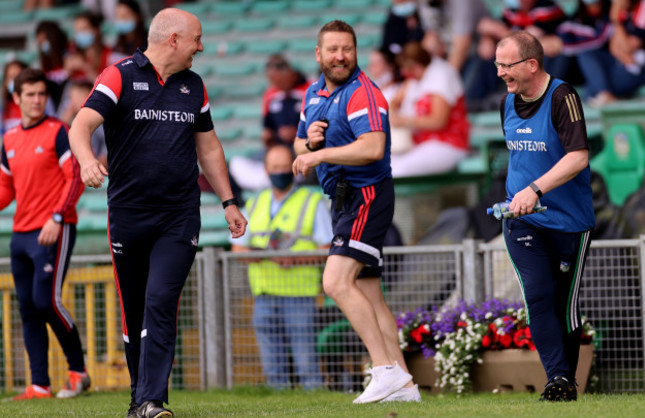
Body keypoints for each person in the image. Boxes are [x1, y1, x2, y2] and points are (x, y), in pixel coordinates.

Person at [68, 7, 247, 418]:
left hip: (179, 215)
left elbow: (209, 147)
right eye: (196, 40)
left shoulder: (194, 85)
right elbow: (81, 126)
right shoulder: (119, 75)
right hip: (129, 214)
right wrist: (85, 160)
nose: (200, 48)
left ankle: (152, 401)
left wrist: (229, 201)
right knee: (134, 313)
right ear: (173, 40)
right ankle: (139, 399)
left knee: (161, 300)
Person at [292, 20, 419, 404]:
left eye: (347, 48)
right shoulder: (313, 93)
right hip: (343, 200)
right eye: (332, 49)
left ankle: (383, 370)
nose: (340, 56)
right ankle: (406, 387)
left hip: (367, 195)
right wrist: (310, 144)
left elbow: (372, 147)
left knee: (335, 283)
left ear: (356, 51)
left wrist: (322, 153)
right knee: (369, 292)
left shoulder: (364, 92)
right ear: (318, 55)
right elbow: (300, 147)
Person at [495, 30, 595, 401]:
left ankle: (564, 381)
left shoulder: (562, 96)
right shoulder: (506, 102)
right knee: (537, 294)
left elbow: (578, 156)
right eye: (497, 64)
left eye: (507, 65)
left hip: (570, 222)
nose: (501, 72)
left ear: (531, 64)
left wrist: (535, 189)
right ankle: (557, 378)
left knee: (564, 307)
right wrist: (519, 198)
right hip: (522, 220)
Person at [0, 68, 90, 401]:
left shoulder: (59, 132)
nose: (38, 100)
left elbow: (76, 177)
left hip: (56, 228)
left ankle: (78, 372)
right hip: (20, 234)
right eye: (30, 95)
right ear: (16, 99)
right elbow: (5, 190)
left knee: (46, 301)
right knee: (27, 307)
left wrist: (57, 216)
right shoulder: (8, 139)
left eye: (42, 94)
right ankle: (39, 384)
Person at [231, 145, 331, 390]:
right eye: (275, 167)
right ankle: (279, 400)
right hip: (264, 293)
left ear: (295, 169)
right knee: (271, 363)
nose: (280, 171)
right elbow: (238, 248)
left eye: (285, 166)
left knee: (306, 360)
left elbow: (327, 247)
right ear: (266, 170)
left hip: (300, 294)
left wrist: (294, 259)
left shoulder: (312, 201)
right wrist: (254, 256)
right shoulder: (254, 204)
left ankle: (314, 400)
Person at [229, 54, 312, 191]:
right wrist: (268, 136)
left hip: (302, 147)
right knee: (233, 165)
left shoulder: (310, 89)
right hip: (276, 146)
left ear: (290, 74)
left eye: (279, 80)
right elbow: (268, 126)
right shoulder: (270, 94)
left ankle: (286, 179)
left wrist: (297, 133)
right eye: (272, 80)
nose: (276, 84)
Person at [389, 42, 470, 177]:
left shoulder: (441, 75)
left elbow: (438, 121)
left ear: (416, 64)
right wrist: (393, 110)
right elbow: (395, 101)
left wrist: (404, 121)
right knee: (383, 167)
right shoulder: (415, 79)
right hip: (421, 144)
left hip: (448, 144)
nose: (404, 73)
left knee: (399, 172)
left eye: (408, 68)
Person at [1, 60, 27, 135]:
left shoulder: (37, 102)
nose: (14, 81)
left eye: (17, 77)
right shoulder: (3, 107)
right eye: (11, 77)